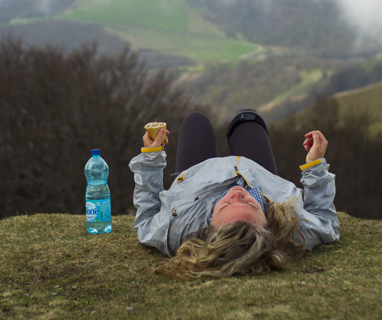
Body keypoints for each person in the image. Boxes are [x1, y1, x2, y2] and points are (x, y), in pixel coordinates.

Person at [129, 109, 340, 278]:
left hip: (198, 175)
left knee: (196, 121)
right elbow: (325, 220)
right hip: (256, 172)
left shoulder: (178, 232)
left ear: (207, 229)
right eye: (251, 204)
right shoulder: (291, 228)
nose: (236, 193)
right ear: (269, 226)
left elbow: (146, 217)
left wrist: (151, 157)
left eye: (226, 205)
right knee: (247, 119)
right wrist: (315, 164)